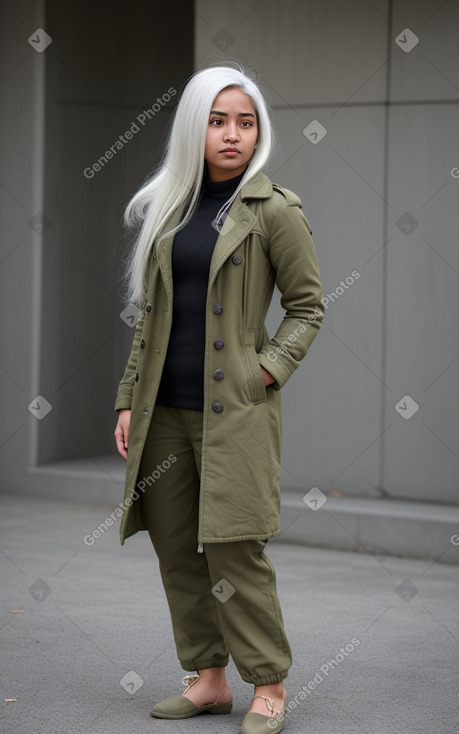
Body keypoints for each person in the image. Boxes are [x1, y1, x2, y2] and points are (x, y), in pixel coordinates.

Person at [114, 64, 324, 734]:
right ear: (193, 127)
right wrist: (126, 399)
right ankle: (207, 680)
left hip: (234, 414)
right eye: (216, 120)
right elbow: (147, 316)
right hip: (163, 413)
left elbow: (307, 308)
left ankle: (268, 684)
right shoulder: (168, 208)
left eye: (245, 121)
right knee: (177, 549)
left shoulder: (274, 210)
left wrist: (264, 370)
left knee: (235, 550)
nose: (232, 134)